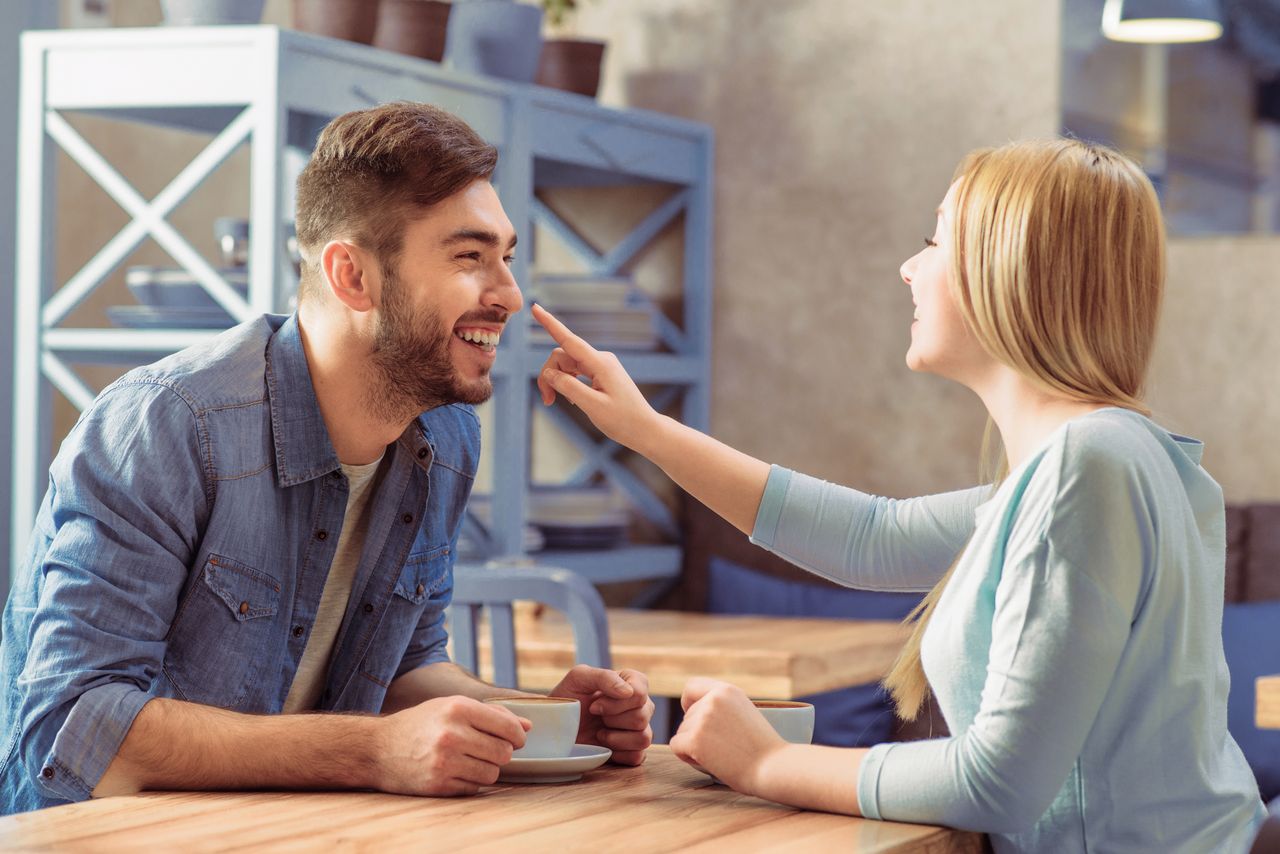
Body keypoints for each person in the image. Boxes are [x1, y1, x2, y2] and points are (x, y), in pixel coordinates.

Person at [530, 138, 1267, 852]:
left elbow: (998, 781)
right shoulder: (1107, 458)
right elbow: (870, 538)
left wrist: (762, 762)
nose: (909, 269)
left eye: (935, 241)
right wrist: (647, 431)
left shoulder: (1090, 463)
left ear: (1007, 269)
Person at [0, 101, 653, 815]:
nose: (509, 295)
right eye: (470, 257)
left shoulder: (443, 435)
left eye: (505, 257)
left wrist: (539, 723)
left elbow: (404, 670)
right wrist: (371, 752)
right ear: (352, 277)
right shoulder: (167, 426)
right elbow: (73, 732)